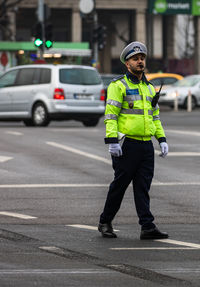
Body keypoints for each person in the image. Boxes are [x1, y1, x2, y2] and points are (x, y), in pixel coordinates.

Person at [98, 41, 169, 240]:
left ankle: (147, 226)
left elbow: (155, 117)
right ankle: (105, 221)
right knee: (119, 186)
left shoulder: (149, 88)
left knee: (143, 187)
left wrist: (161, 139)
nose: (140, 61)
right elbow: (110, 115)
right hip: (127, 145)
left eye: (142, 58)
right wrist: (112, 141)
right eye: (135, 59)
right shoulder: (118, 86)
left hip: (146, 145)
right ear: (126, 63)